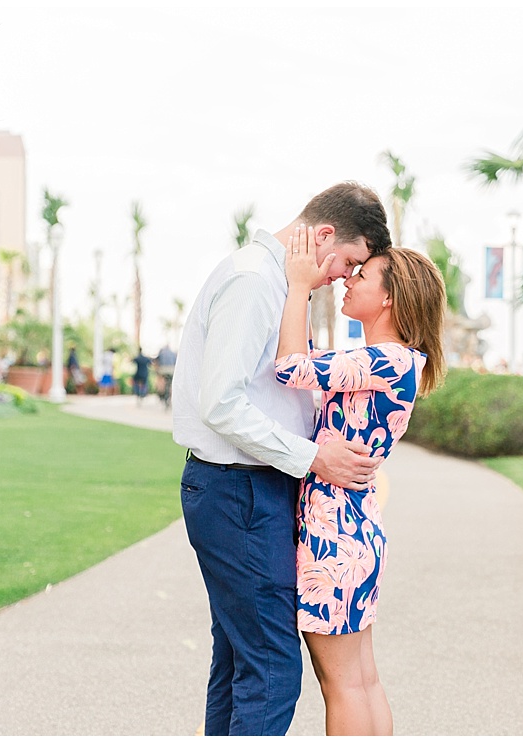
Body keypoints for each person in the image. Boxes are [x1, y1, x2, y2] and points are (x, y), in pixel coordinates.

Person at [171, 182, 390, 736]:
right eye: (349, 262)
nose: (345, 277)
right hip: (237, 490)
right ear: (322, 235)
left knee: (241, 662)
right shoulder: (254, 281)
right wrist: (317, 457)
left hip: (251, 490)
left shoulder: (282, 285)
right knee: (272, 669)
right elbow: (220, 404)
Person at [274, 226, 446, 736]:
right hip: (355, 529)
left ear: (389, 297)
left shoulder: (384, 359)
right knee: (362, 681)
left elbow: (288, 369)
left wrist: (300, 286)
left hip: (335, 538)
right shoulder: (398, 361)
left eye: (363, 275)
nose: (349, 280)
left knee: (344, 685)